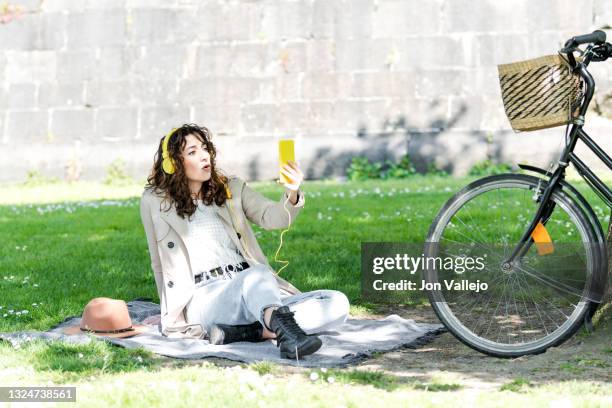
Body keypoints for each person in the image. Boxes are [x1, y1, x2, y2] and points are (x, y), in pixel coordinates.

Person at [139, 123, 350, 359]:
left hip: (254, 290)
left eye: (204, 148)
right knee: (258, 274)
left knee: (337, 303)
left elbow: (273, 218)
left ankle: (249, 332)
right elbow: (159, 263)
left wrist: (292, 192)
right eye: (192, 152)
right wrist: (170, 312)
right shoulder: (155, 201)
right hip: (206, 297)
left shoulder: (230, 189)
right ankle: (288, 335)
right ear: (173, 163)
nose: (203, 156)